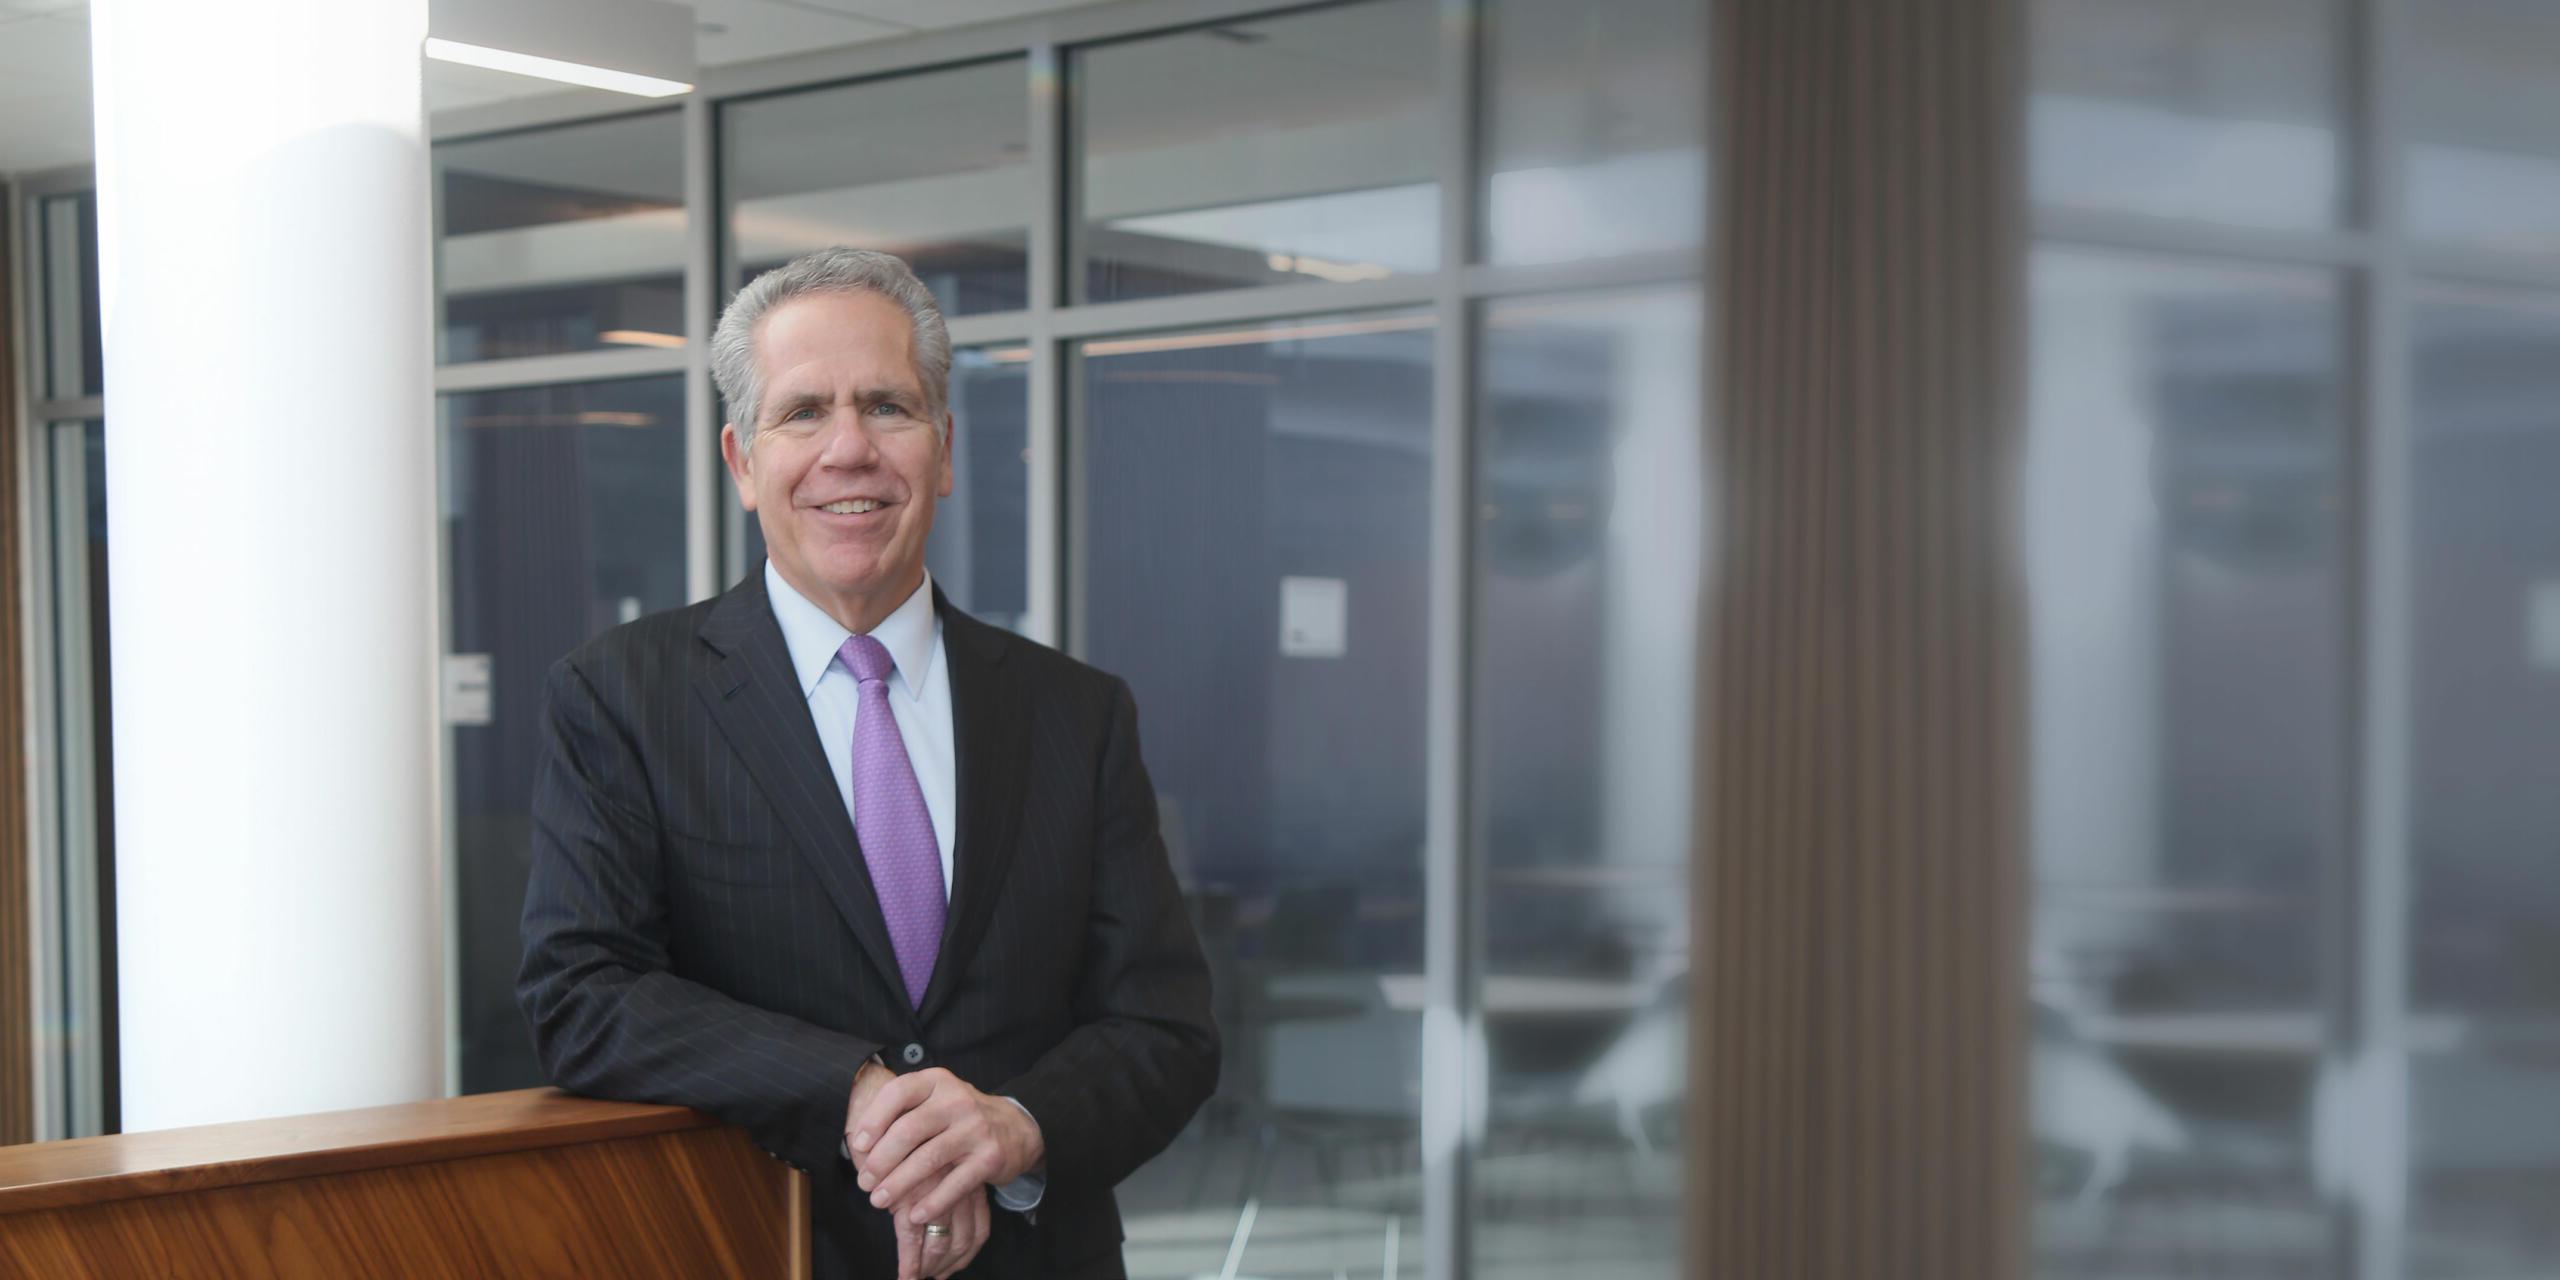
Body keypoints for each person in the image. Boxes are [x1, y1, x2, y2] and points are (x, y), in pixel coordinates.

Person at [518, 247, 1219, 1279]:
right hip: (762, 1248)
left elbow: (1165, 1025)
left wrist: (1014, 1128)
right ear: (743, 463)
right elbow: (582, 992)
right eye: (803, 412)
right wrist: (856, 1090)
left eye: (887, 406)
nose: (848, 448)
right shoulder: (620, 695)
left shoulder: (1076, 711)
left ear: (942, 450)